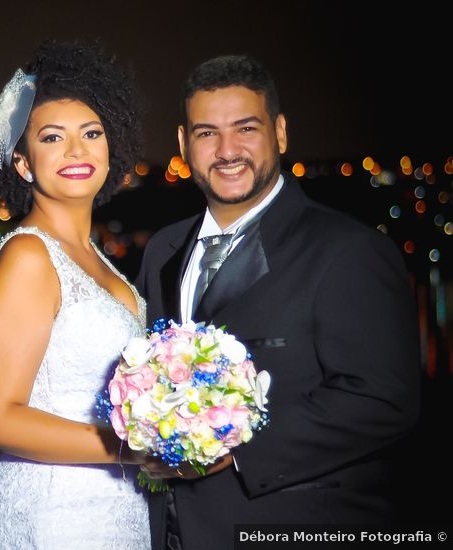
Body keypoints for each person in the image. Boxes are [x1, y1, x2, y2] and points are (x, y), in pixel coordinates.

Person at [133, 54, 420, 549]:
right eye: (206, 133)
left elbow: (383, 398)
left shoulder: (349, 250)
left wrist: (235, 446)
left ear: (280, 133)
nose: (226, 151)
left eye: (245, 128)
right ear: (184, 145)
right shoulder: (163, 250)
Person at [0, 40, 151, 549]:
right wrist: (132, 449)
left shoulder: (99, 259)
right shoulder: (29, 256)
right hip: (52, 519)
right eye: (53, 138)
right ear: (24, 164)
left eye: (91, 133)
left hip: (118, 514)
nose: (77, 151)